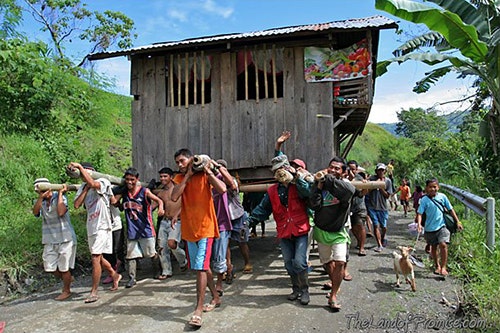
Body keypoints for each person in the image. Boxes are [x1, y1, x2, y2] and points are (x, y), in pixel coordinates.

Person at [171, 148, 226, 328]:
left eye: (182, 161)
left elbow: (223, 189)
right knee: (202, 267)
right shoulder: (179, 178)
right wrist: (187, 176)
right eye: (177, 162)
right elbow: (174, 196)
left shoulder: (204, 175)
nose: (180, 164)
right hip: (189, 230)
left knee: (201, 268)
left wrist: (208, 170)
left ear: (191, 159)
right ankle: (215, 297)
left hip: (206, 228)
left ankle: (198, 310)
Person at [249, 154, 312, 305]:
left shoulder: (299, 185)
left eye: (282, 168)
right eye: (277, 169)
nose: (280, 172)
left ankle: (304, 290)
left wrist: (297, 177)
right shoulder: (272, 191)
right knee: (288, 264)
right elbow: (262, 209)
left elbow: (309, 194)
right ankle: (296, 288)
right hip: (284, 231)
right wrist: (249, 222)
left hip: (300, 229)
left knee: (299, 262)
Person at [70, 162, 122, 303]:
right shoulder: (82, 187)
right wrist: (85, 188)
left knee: (95, 258)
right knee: (98, 258)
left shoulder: (102, 181)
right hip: (91, 226)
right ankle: (114, 275)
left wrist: (81, 168)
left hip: (103, 225)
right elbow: (76, 205)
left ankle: (94, 291)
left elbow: (94, 184)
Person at [309, 157, 356, 311]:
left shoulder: (346, 186)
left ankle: (333, 295)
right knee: (327, 263)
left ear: (343, 172)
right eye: (331, 167)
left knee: (340, 262)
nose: (333, 170)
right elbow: (314, 205)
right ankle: (335, 283)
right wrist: (318, 186)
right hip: (322, 229)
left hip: (339, 230)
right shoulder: (320, 184)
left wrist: (327, 179)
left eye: (337, 168)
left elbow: (349, 192)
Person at [114, 167, 164, 288]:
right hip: (132, 229)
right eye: (127, 179)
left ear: (137, 179)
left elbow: (158, 200)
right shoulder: (125, 192)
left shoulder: (144, 191)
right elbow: (114, 202)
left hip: (145, 228)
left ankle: (157, 270)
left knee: (151, 253)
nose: (129, 182)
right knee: (131, 255)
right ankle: (132, 278)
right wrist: (119, 193)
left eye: (132, 179)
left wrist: (160, 208)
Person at [32, 178, 76, 301]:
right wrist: (41, 198)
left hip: (65, 237)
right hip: (49, 238)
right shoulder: (39, 201)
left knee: (64, 267)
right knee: (49, 267)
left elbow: (61, 212)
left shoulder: (60, 197)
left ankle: (66, 290)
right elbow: (35, 212)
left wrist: (61, 193)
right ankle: (67, 278)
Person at [416, 178, 463, 276]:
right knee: (434, 247)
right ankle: (437, 266)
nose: (432, 189)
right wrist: (419, 225)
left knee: (443, 244)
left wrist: (457, 221)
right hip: (429, 228)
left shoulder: (443, 197)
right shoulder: (424, 200)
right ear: (426, 188)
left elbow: (450, 209)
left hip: (442, 226)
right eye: (430, 187)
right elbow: (419, 213)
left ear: (438, 187)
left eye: (434, 187)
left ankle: (443, 267)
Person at [216, 159, 253, 276]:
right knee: (225, 243)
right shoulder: (215, 182)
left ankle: (247, 262)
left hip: (237, 216)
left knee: (242, 242)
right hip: (224, 217)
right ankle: (228, 267)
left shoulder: (232, 180)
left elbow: (231, 185)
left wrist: (219, 169)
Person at [154, 167, 187, 280]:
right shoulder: (161, 193)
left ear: (171, 177)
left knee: (172, 244)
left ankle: (183, 261)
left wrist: (177, 215)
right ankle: (166, 270)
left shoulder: (178, 189)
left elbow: (185, 204)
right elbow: (152, 206)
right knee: (162, 247)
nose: (162, 178)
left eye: (165, 176)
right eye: (161, 176)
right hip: (164, 221)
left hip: (177, 221)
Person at [365, 163, 393, 252]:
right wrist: (374, 184)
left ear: (384, 171)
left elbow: (387, 195)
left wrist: (380, 187)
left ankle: (383, 237)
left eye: (382, 170)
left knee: (384, 227)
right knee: (376, 225)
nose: (381, 172)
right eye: (379, 170)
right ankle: (379, 245)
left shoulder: (388, 181)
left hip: (383, 207)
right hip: (372, 206)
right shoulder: (371, 179)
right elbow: (367, 191)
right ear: (376, 171)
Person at [346, 160, 369, 256]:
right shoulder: (342, 179)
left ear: (356, 170)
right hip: (347, 208)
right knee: (353, 228)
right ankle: (359, 241)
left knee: (360, 226)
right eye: (349, 169)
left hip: (359, 207)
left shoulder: (360, 178)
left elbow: (361, 194)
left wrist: (365, 186)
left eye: (353, 169)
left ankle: (362, 248)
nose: (351, 171)